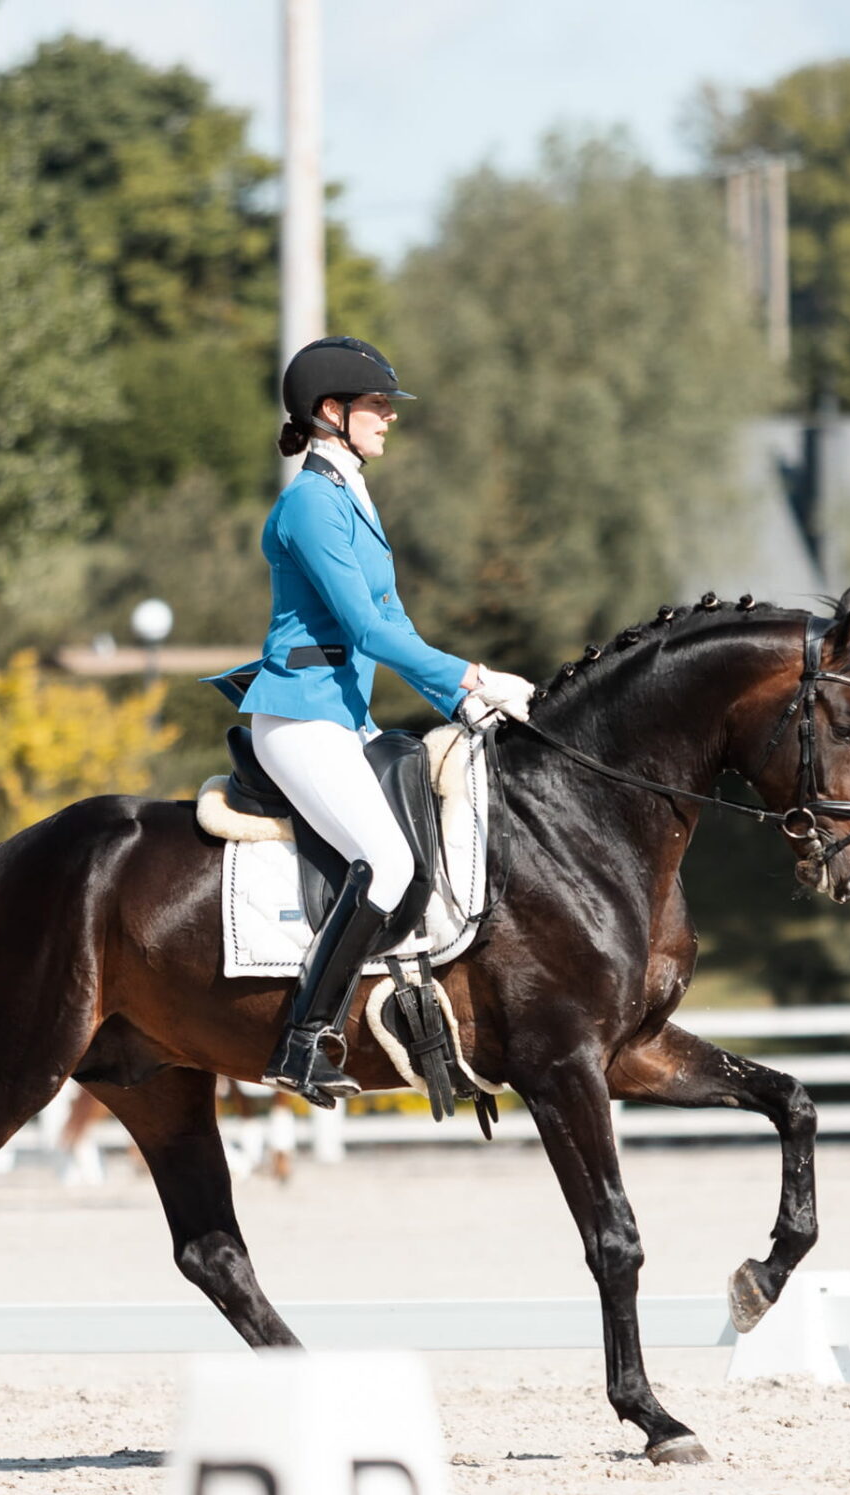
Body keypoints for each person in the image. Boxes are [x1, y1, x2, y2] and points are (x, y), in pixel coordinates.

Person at [214, 337, 535, 1103]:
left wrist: (459, 703)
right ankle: (301, 1040)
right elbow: (366, 630)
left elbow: (395, 620)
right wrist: (476, 673)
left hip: (342, 717)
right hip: (298, 717)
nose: (389, 417)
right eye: (377, 405)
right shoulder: (309, 505)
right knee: (386, 865)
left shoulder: (349, 494)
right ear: (332, 412)